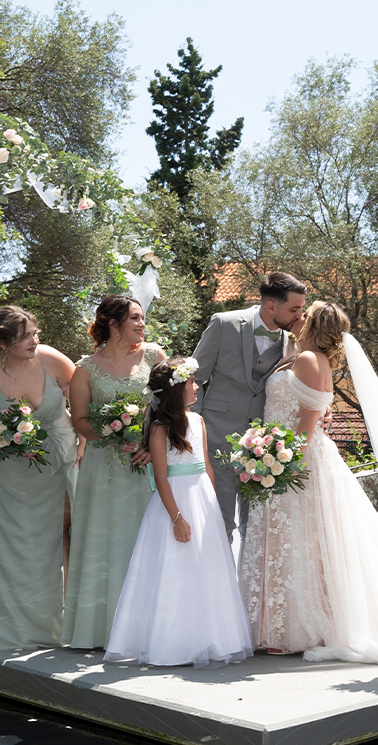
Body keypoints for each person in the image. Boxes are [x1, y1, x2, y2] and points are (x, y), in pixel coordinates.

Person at [239, 301, 378, 664]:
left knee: (298, 539)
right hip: (288, 456)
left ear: (312, 324)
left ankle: (293, 630)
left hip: (297, 463)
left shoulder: (307, 360)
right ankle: (274, 626)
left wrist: (281, 465)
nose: (297, 316)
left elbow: (307, 422)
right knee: (297, 539)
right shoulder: (302, 355)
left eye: (304, 314)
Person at [105, 358, 252, 667]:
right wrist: (177, 518)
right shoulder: (160, 429)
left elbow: (207, 466)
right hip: (175, 503)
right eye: (191, 382)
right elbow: (161, 478)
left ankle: (210, 638)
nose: (197, 386)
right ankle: (172, 642)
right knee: (175, 569)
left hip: (202, 500)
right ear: (176, 389)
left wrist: (212, 504)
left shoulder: (197, 422)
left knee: (206, 568)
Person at [0, 306, 77, 649]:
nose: (34, 341)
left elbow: (81, 399)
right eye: (26, 336)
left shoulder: (51, 359)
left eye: (35, 333)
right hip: (11, 477)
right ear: (4, 343)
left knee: (67, 535)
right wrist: (5, 437)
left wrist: (83, 439)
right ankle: (18, 626)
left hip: (63, 462)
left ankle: (70, 620)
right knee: (18, 548)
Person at [62, 295, 167, 649]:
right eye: (135, 318)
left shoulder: (154, 357)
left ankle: (144, 631)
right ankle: (100, 630)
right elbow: (79, 420)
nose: (142, 324)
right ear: (114, 323)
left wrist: (151, 446)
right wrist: (110, 433)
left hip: (145, 464)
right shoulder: (86, 368)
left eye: (142, 318)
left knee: (143, 540)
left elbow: (168, 409)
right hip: (102, 469)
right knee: (102, 540)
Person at [192, 271, 307, 541]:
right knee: (217, 523)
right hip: (216, 435)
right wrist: (195, 429)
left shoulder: (294, 339)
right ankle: (216, 583)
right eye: (294, 309)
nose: (300, 316)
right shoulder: (223, 323)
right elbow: (195, 377)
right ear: (271, 306)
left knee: (255, 527)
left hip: (263, 448)